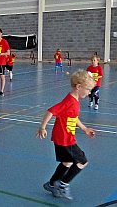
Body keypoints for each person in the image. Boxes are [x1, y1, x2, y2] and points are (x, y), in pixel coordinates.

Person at [36, 70, 96, 200]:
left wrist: (84, 129)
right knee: (82, 161)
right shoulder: (69, 101)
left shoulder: (74, 101)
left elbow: (74, 118)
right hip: (65, 140)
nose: (89, 92)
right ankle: (63, 185)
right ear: (78, 87)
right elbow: (51, 111)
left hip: (62, 138)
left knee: (67, 162)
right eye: (88, 89)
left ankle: (52, 184)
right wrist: (42, 127)